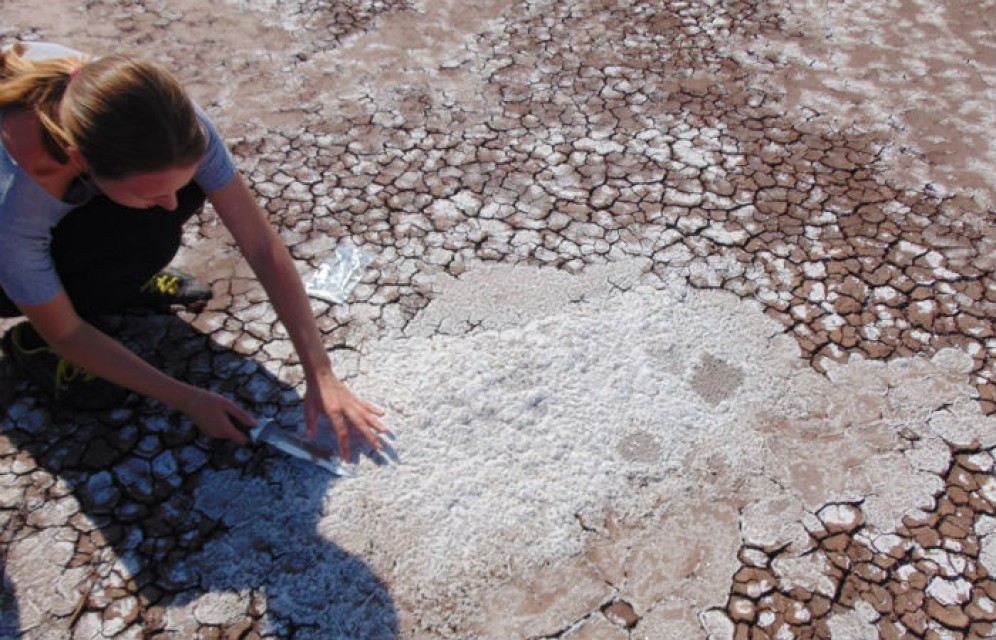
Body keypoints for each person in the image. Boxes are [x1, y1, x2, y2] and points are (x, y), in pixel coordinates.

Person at [0, 41, 386, 459]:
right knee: (121, 251)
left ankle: (118, 280)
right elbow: (68, 332)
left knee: (161, 215)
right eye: (151, 194)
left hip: (76, 196)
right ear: (82, 161)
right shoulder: (15, 202)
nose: (170, 207)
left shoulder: (170, 121)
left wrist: (321, 372)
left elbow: (259, 244)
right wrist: (186, 398)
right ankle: (33, 339)